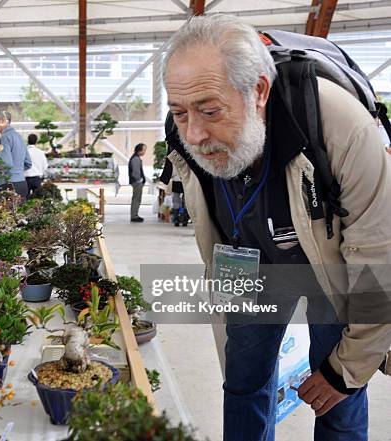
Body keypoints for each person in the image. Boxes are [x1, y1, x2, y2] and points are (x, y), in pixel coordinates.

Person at [162, 14, 391, 441]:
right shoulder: (187, 130)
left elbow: (380, 258)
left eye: (210, 111)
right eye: (180, 112)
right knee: (243, 385)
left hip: (334, 272)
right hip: (249, 269)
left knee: (338, 397)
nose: (193, 132)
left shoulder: (341, 126)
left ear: (259, 92)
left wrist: (349, 368)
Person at [0, 110, 32, 200]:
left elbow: (5, 164)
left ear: (2, 120)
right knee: (21, 213)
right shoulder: (18, 136)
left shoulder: (4, 138)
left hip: (8, 186)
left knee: (5, 214)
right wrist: (17, 171)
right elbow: (28, 163)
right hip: (21, 183)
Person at [24, 133, 48, 198]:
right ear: (36, 141)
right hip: (37, 179)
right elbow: (45, 166)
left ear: (27, 141)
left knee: (25, 200)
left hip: (26, 179)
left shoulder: (24, 152)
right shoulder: (40, 152)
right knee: (37, 200)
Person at [128, 143, 147, 222]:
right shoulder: (135, 159)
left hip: (136, 182)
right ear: (140, 150)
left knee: (136, 198)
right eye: (144, 150)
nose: (145, 152)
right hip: (137, 182)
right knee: (136, 199)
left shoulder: (136, 157)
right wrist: (139, 181)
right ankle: (134, 216)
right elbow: (136, 172)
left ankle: (135, 215)